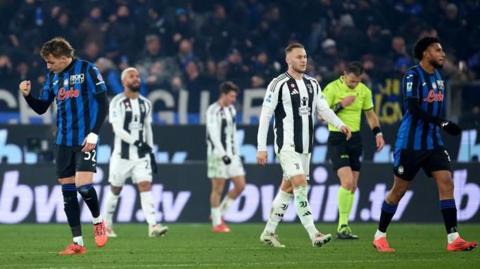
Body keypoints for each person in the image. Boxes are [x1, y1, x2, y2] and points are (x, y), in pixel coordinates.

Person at [372, 37, 478, 252]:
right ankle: (380, 235)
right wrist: (442, 122)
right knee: (399, 190)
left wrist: (441, 124)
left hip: (433, 143)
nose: (443, 54)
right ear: (425, 53)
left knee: (446, 182)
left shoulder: (439, 77)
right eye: (438, 50)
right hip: (410, 143)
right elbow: (412, 108)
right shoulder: (412, 75)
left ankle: (453, 238)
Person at [257, 42, 352, 248]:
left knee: (288, 189)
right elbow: (265, 116)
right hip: (287, 144)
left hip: (305, 147)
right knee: (300, 184)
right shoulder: (278, 83)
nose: (303, 60)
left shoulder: (313, 84)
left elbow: (323, 109)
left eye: (305, 56)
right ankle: (314, 233)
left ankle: (268, 232)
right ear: (288, 60)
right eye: (299, 57)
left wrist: (340, 124)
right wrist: (261, 147)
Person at [19, 37, 108, 255]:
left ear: (64, 57)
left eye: (50, 62)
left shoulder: (88, 70)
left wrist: (95, 134)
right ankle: (78, 243)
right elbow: (41, 108)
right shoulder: (53, 77)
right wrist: (28, 96)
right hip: (63, 142)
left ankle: (98, 221)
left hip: (85, 139)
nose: (48, 66)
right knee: (68, 192)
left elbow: (103, 102)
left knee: (84, 186)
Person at [103, 67, 168, 238]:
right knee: (115, 189)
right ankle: (106, 224)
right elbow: (117, 129)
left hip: (141, 156)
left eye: (138, 76)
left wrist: (151, 150)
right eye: (132, 76)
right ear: (124, 81)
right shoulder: (117, 102)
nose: (136, 78)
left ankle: (153, 225)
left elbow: (148, 129)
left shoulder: (146, 103)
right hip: (121, 155)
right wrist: (137, 142)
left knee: (145, 186)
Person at [322, 62, 385, 239]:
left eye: (357, 81)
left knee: (353, 186)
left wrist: (377, 132)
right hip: (338, 138)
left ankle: (345, 226)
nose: (354, 85)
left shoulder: (364, 90)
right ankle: (342, 226)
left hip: (355, 140)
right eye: (351, 81)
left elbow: (370, 115)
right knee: (347, 182)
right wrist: (341, 104)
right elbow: (321, 114)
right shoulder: (332, 88)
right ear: (344, 74)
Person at [206, 81, 246, 233]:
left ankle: (218, 214)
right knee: (218, 188)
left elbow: (232, 133)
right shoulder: (213, 110)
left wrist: (235, 152)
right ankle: (217, 224)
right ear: (223, 95)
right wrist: (223, 154)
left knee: (240, 185)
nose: (233, 99)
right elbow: (213, 134)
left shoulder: (232, 110)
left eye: (234, 96)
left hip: (233, 154)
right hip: (217, 155)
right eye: (231, 96)